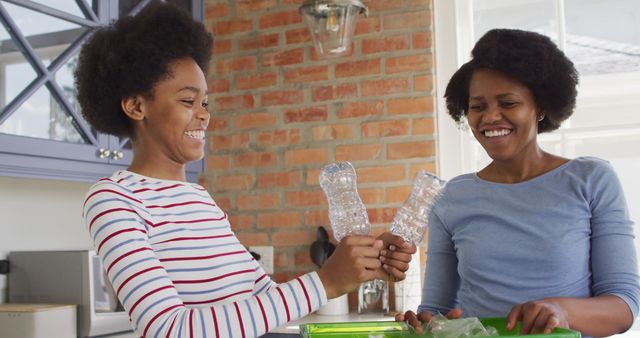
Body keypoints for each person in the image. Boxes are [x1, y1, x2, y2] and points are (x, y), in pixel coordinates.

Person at [76, 3, 416, 337]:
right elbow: (168, 329)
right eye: (187, 101)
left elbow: (263, 301)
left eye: (205, 103)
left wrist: (362, 263)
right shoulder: (114, 199)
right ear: (137, 106)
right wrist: (326, 281)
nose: (204, 114)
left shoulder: (199, 199)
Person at [396, 28, 640, 337]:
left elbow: (624, 307)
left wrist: (561, 311)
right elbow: (437, 310)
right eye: (478, 106)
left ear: (540, 107)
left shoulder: (591, 180)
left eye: (508, 103)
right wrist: (423, 324)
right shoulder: (451, 197)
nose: (490, 117)